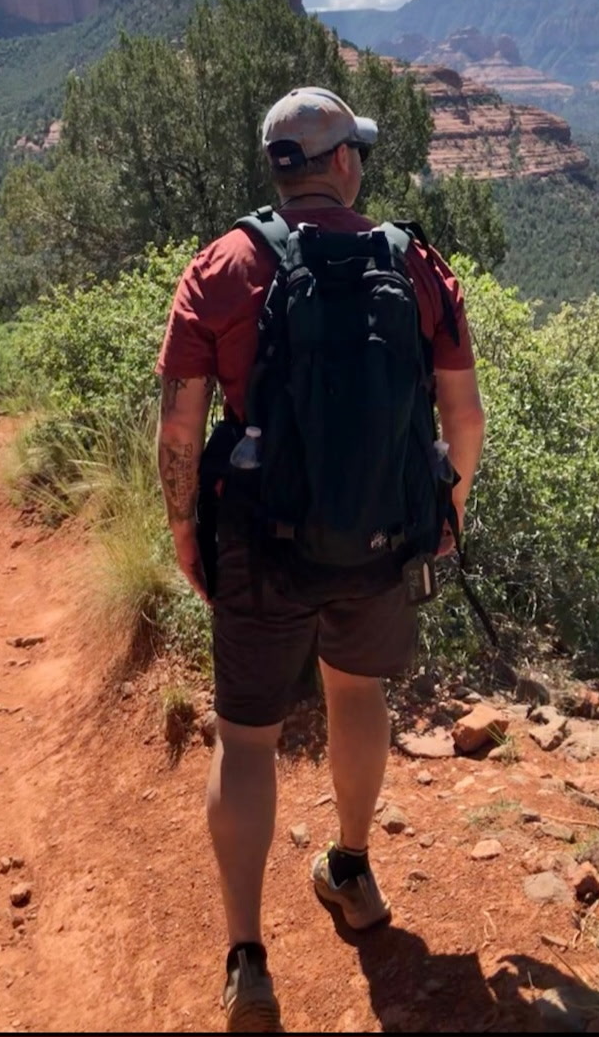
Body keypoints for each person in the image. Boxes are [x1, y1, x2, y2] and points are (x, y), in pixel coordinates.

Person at [155, 87, 485, 1033]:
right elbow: (463, 419)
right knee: (356, 691)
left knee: (245, 737)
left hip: (259, 539)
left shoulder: (221, 266)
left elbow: (179, 430)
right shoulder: (415, 262)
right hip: (381, 536)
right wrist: (447, 510)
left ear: (278, 168)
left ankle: (248, 960)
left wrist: (185, 529)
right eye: (358, 152)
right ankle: (351, 867)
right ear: (341, 162)